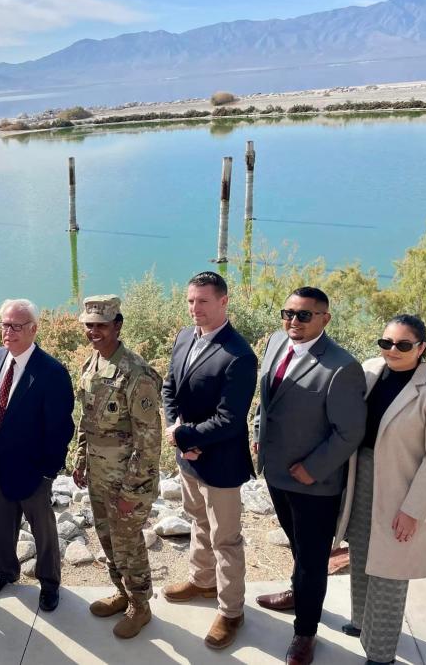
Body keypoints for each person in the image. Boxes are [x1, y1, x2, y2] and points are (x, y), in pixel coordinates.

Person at [253, 287, 367, 665]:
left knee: (313, 558)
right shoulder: (274, 342)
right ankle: (298, 593)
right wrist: (259, 436)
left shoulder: (341, 366)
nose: (293, 322)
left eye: (304, 315)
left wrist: (312, 469)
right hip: (276, 472)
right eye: (287, 313)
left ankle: (305, 633)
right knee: (298, 548)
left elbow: (349, 432)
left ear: (325, 319)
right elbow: (266, 400)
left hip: (313, 484)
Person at [334, 315, 426, 665]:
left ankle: (381, 654)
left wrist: (414, 510)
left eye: (403, 345)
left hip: (404, 486)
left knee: (390, 570)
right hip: (363, 476)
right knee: (363, 552)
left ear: (421, 347)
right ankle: (361, 623)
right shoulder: (371, 370)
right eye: (386, 343)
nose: (392, 350)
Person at [160, 272, 258, 649]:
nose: (194, 308)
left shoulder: (239, 355)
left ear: (223, 302)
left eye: (202, 301)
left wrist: (186, 437)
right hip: (189, 459)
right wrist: (176, 431)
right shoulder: (186, 336)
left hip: (220, 464)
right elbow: (170, 387)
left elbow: (230, 419)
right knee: (199, 522)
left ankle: (232, 611)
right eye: (190, 301)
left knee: (226, 538)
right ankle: (203, 581)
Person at [71, 295, 163, 640]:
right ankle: (122, 592)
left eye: (101, 325)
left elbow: (149, 440)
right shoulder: (91, 365)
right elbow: (86, 421)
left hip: (126, 482)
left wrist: (132, 490)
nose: (94, 331)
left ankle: (141, 606)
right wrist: (80, 461)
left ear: (118, 326)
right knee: (108, 539)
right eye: (89, 325)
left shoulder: (135, 374)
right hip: (98, 475)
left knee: (129, 543)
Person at [0, 299, 74, 611]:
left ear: (33, 329)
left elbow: (60, 429)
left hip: (33, 472)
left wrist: (48, 472)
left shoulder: (51, 371)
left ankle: (49, 583)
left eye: (17, 326)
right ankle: (5, 571)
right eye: (5, 324)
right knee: (1, 524)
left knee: (42, 529)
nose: (9, 331)